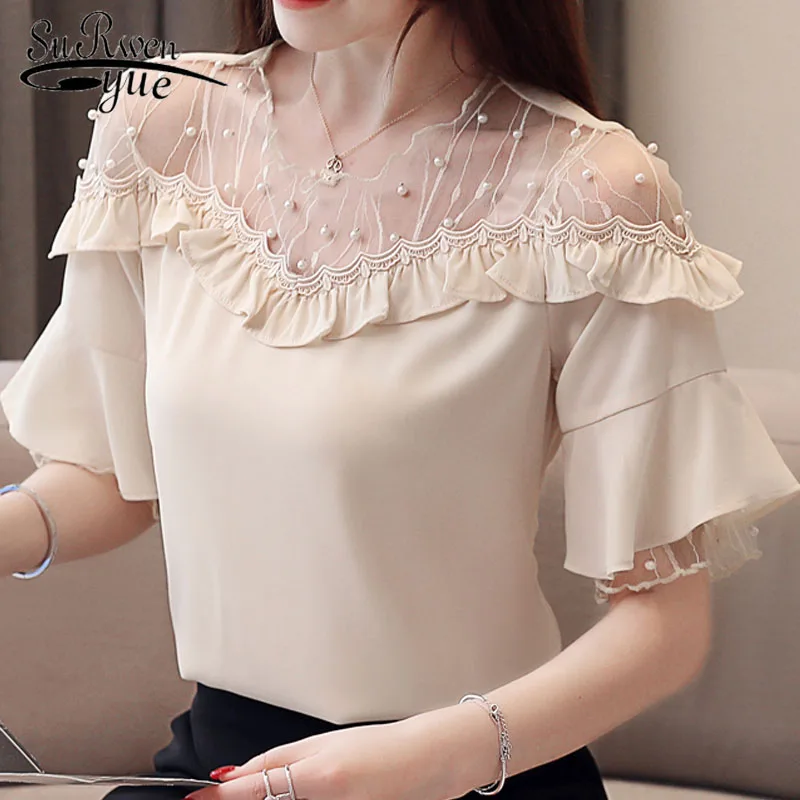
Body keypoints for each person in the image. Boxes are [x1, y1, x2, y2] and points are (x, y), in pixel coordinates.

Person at [2, 0, 799, 798]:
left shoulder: (591, 195)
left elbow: (662, 626)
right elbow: (109, 474)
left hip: (472, 774)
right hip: (228, 765)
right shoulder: (161, 125)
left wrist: (430, 759)